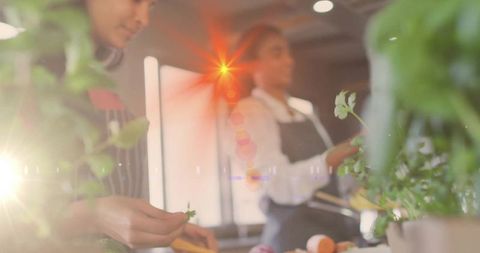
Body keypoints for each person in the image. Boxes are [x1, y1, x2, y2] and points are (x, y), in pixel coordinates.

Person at [45, 0, 218, 251]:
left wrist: (166, 232)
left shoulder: (103, 87)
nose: (144, 19)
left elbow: (114, 194)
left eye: (151, 5)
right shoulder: (26, 81)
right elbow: (14, 217)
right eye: (136, 0)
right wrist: (95, 215)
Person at [230, 24, 359, 253]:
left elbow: (333, 181)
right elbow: (276, 182)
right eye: (276, 53)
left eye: (288, 53)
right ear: (252, 65)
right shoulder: (250, 111)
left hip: (333, 238)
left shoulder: (304, 114)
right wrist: (329, 159)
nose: (289, 61)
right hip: (291, 242)